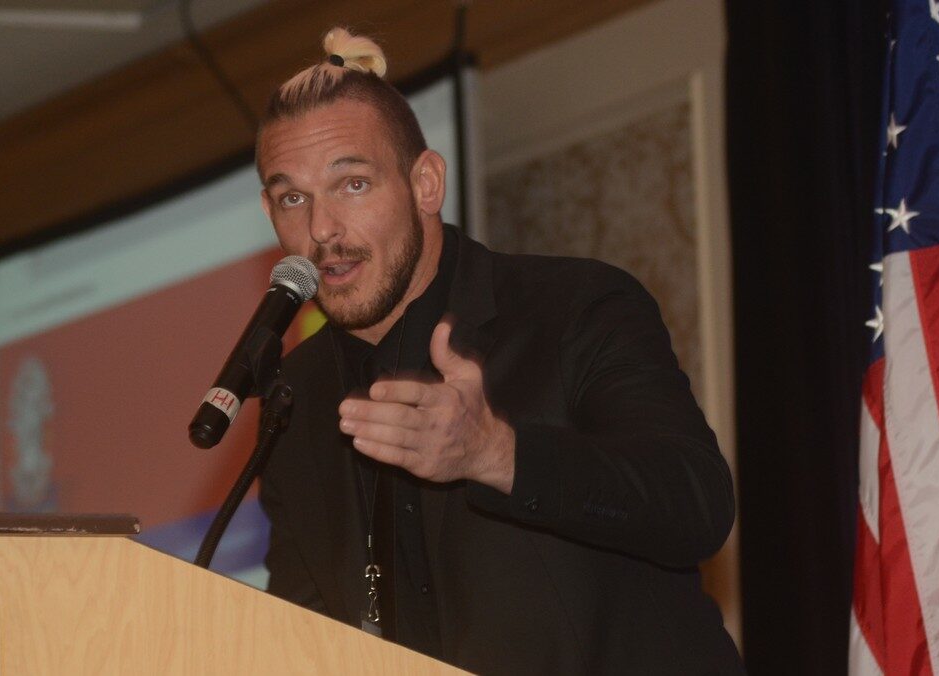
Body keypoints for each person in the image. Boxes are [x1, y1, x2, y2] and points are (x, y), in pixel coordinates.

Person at [256, 27, 742, 674]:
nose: (320, 230)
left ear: (426, 184)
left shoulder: (574, 308)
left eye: (353, 185)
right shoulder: (295, 396)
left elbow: (697, 505)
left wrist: (500, 455)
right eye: (293, 197)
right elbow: (304, 636)